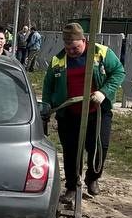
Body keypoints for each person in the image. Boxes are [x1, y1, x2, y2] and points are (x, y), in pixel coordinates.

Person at [41, 22, 125, 199]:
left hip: (97, 112)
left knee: (100, 146)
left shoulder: (101, 53)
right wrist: (47, 106)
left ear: (84, 40)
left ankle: (93, 178)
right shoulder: (58, 60)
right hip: (69, 114)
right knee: (71, 151)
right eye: (68, 47)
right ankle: (72, 186)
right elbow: (48, 85)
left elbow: (119, 72)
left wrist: (104, 92)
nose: (72, 51)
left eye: (76, 47)